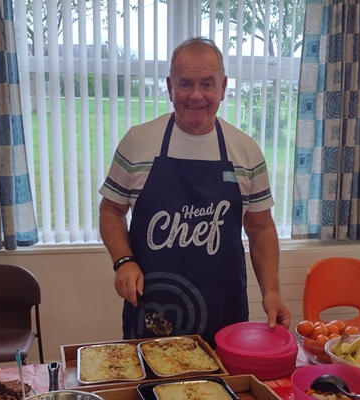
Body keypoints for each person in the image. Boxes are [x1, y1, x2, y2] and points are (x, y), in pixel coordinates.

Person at [98, 37, 291, 347]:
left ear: (224, 87)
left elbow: (261, 228)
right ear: (170, 87)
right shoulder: (137, 143)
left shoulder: (246, 151)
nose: (196, 95)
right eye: (185, 84)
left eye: (207, 84)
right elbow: (111, 210)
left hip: (224, 315)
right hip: (153, 313)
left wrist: (271, 292)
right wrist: (123, 261)